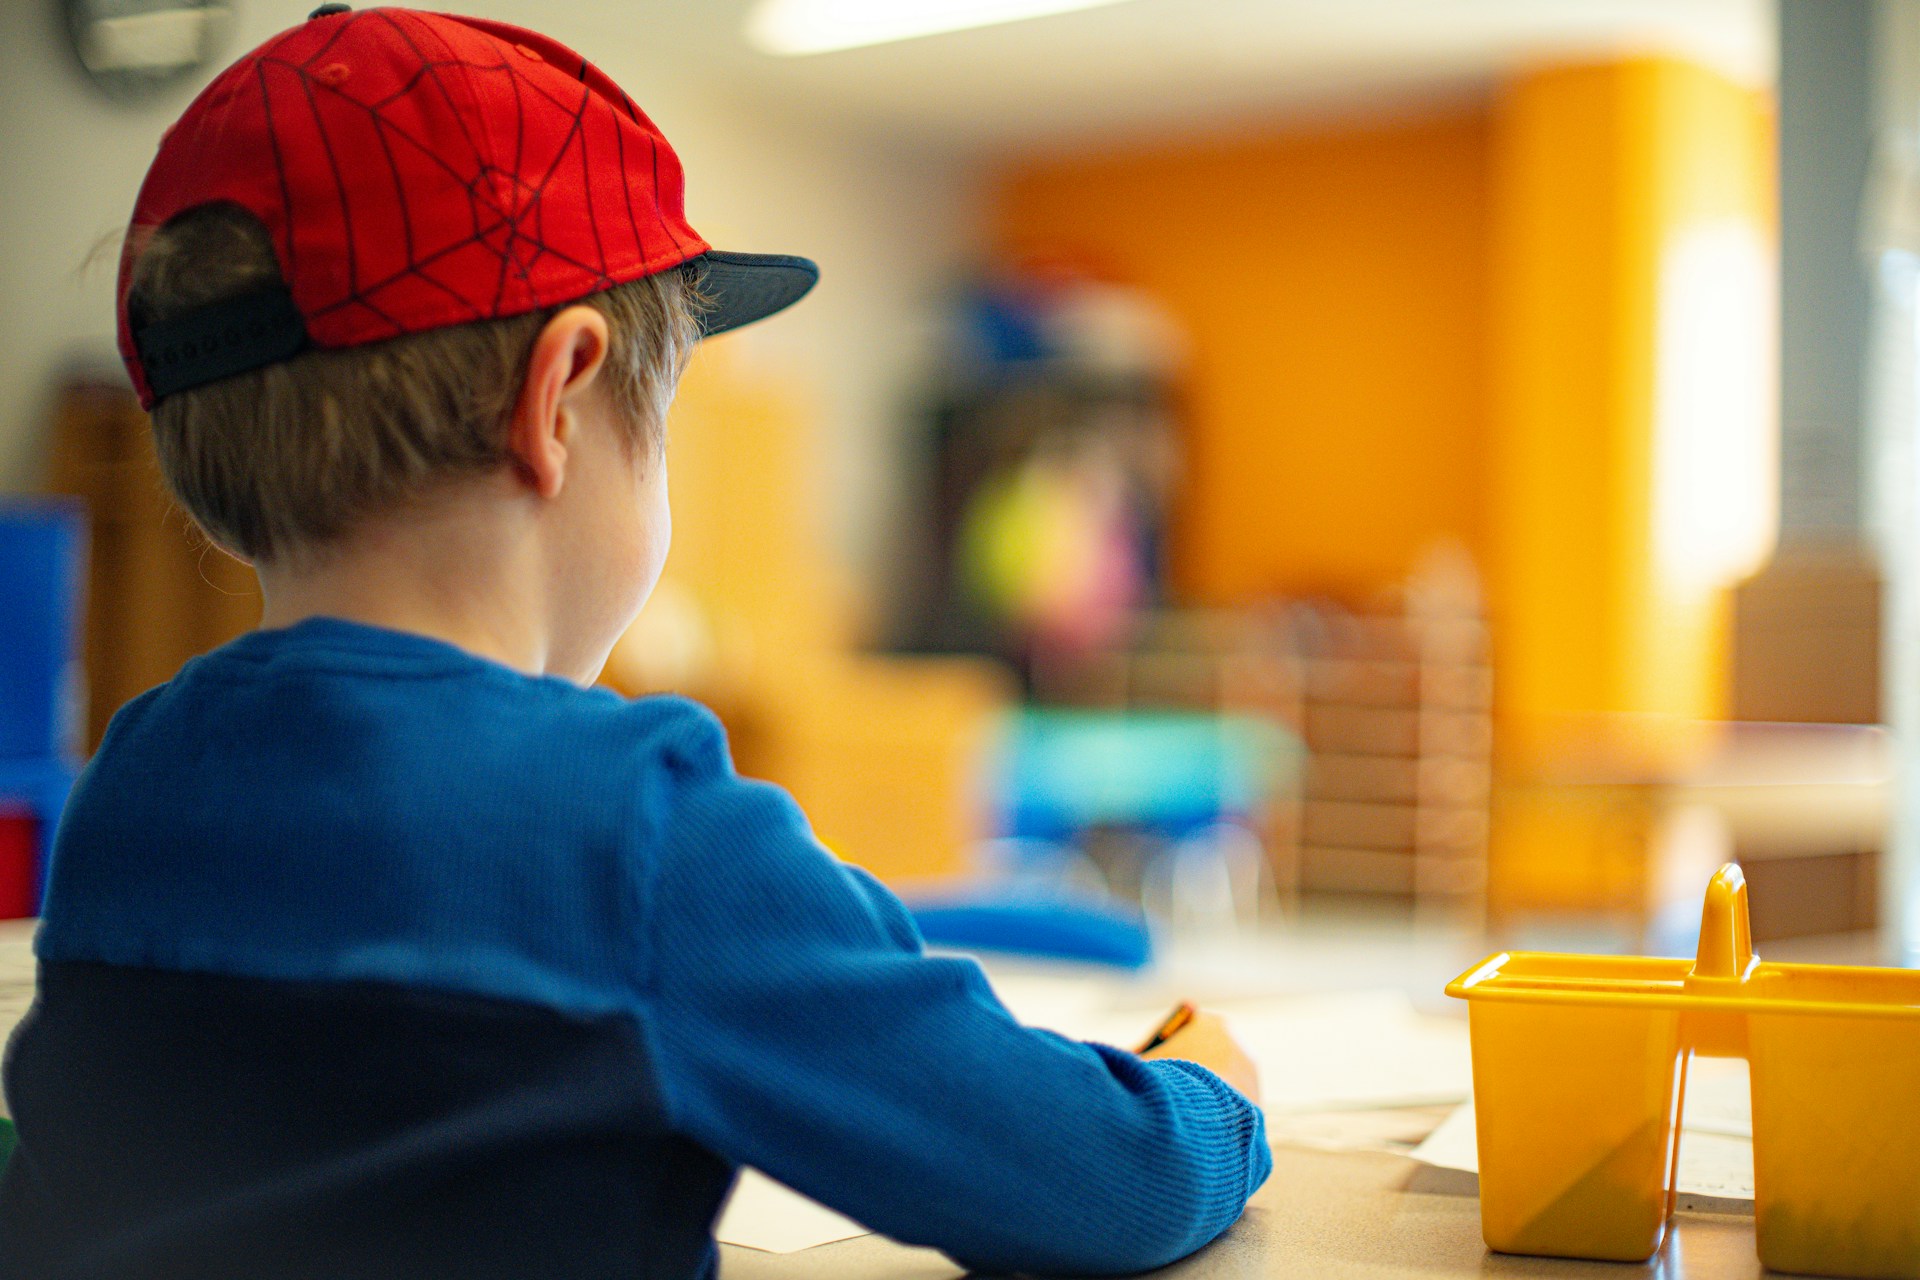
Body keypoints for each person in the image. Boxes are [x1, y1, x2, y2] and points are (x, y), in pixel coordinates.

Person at [0, 7, 1270, 1278]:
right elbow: (1100, 1177)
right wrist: (1212, 1094)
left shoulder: (130, 791)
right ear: (558, 398)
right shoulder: (630, 822)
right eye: (659, 420)